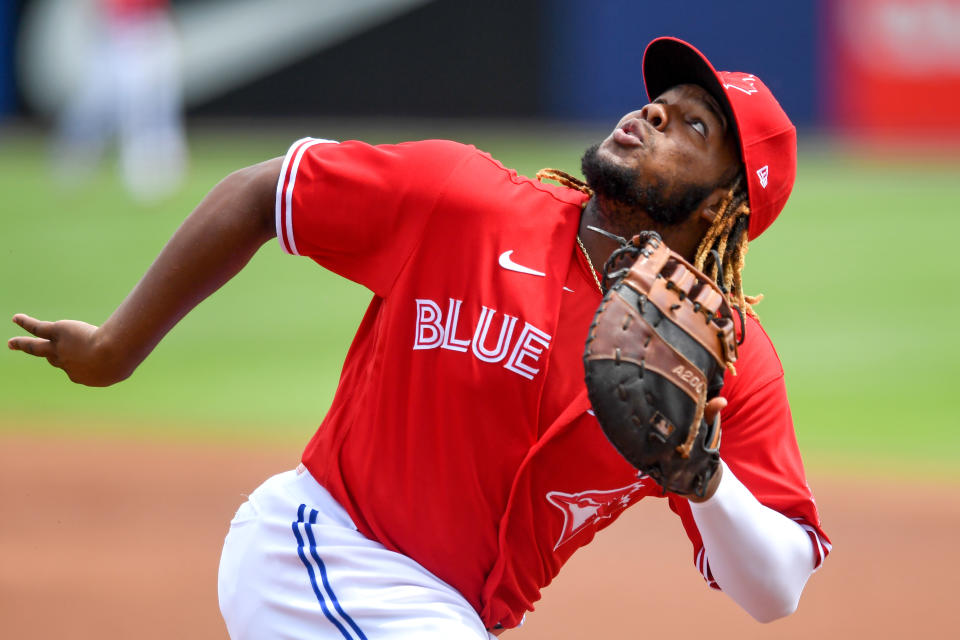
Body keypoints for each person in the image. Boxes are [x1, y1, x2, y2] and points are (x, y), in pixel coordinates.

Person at [9, 37, 830, 639]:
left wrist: (702, 478)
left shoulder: (723, 358)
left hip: (446, 617)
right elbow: (268, 192)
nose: (651, 111)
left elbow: (777, 586)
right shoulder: (466, 200)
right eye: (661, 100)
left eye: (692, 125)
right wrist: (116, 349)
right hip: (321, 555)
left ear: (725, 206)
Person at [51, 0, 187, 203]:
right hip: (119, 33)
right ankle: (76, 161)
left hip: (150, 29)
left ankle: (155, 171)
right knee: (99, 104)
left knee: (155, 108)